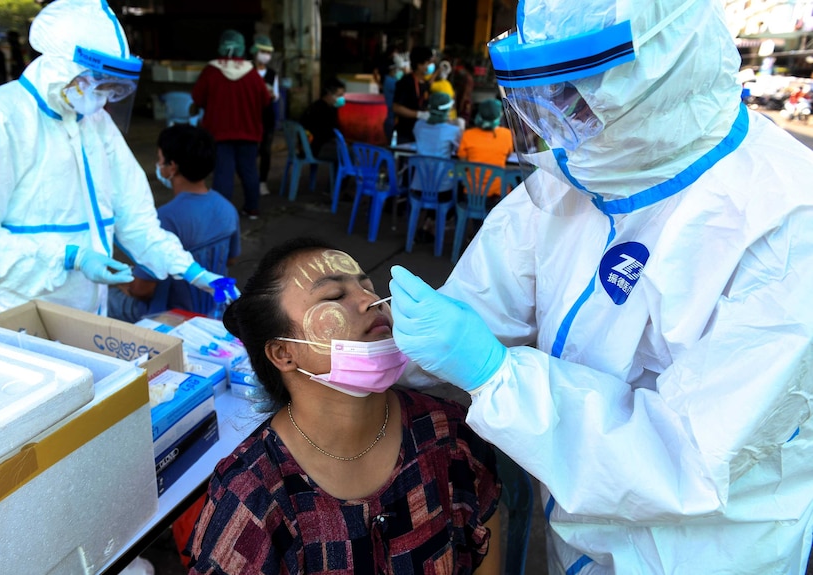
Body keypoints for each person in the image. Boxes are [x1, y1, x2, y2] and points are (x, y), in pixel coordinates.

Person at [389, 0, 813, 573]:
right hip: (579, 529)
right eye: (544, 97)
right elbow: (482, 303)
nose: (560, 123)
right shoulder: (580, 178)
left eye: (577, 95)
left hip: (707, 552)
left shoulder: (784, 224)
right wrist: (375, 351)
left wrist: (496, 375)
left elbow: (689, 459)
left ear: (661, 73)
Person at [186, 237, 502, 574]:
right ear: (283, 353)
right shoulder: (251, 496)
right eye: (335, 296)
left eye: (368, 286)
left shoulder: (450, 433)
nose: (372, 301)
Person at [0, 0, 224, 318]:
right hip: (25, 312)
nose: (102, 97)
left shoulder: (96, 123)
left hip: (92, 308)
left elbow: (136, 220)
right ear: (60, 65)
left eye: (111, 87)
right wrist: (71, 257)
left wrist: (193, 272)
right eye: (95, 81)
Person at [108, 125, 240, 322]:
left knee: (103, 298)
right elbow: (231, 260)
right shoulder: (227, 208)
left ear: (172, 167)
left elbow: (142, 290)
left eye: (160, 159)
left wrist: (122, 284)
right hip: (213, 308)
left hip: (167, 314)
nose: (158, 164)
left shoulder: (164, 218)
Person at [192, 29, 271, 220]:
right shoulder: (251, 73)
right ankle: (252, 209)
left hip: (219, 133)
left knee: (223, 174)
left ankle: (222, 215)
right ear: (243, 48)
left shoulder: (211, 71)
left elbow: (198, 97)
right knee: (249, 171)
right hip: (249, 132)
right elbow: (265, 100)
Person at [456, 99, 513, 205]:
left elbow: (464, 163)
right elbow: (507, 156)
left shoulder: (467, 135)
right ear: (499, 116)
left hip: (471, 193)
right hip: (498, 196)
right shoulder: (507, 135)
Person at [250, 34, 278, 197]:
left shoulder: (272, 73)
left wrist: (270, 95)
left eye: (268, 52)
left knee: (266, 151)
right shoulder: (248, 72)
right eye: (263, 51)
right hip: (251, 117)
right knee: (251, 152)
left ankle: (262, 182)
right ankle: (252, 180)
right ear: (255, 51)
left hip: (267, 116)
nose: (265, 55)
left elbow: (276, 95)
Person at [392, 45, 434, 143]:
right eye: (428, 63)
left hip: (422, 132)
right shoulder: (406, 82)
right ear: (419, 65)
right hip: (406, 133)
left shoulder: (425, 83)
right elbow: (396, 108)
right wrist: (418, 114)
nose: (430, 66)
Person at [299, 77, 345, 162]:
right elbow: (327, 134)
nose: (342, 98)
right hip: (315, 149)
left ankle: (338, 175)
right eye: (339, 95)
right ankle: (340, 175)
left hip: (309, 147)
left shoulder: (320, 106)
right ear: (329, 94)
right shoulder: (322, 111)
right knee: (349, 153)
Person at [413, 91, 463, 159]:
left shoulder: (418, 125)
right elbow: (460, 151)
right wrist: (461, 127)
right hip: (443, 169)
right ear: (447, 111)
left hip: (420, 169)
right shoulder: (454, 131)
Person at [381, 57, 403, 142]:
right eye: (397, 69)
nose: (399, 71)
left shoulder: (392, 79)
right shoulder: (390, 81)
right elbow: (402, 88)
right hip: (390, 113)